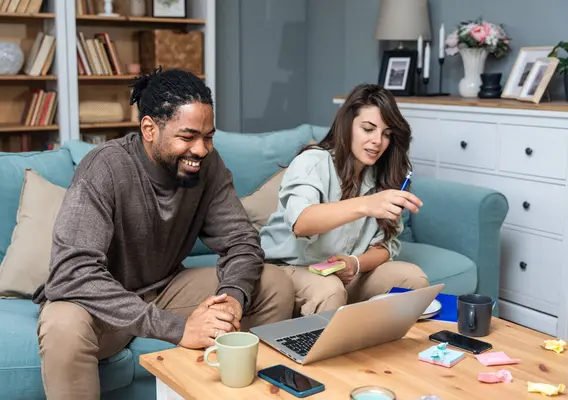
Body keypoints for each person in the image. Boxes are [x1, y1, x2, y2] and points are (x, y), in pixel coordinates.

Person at [33, 67, 295, 400]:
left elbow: (241, 242)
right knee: (62, 327)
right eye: (188, 136)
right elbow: (73, 274)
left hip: (164, 289)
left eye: (208, 136)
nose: (201, 149)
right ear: (149, 129)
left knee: (274, 286)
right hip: (99, 306)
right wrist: (180, 329)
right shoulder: (105, 168)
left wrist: (231, 298)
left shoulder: (207, 167)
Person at [259, 83, 429, 318]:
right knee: (330, 291)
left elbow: (387, 245)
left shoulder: (382, 178)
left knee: (413, 279)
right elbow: (301, 222)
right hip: (287, 267)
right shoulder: (313, 162)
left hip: (341, 273)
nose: (377, 141)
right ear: (347, 125)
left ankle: (378, 350)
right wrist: (366, 205)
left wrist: (355, 263)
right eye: (368, 129)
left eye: (386, 134)